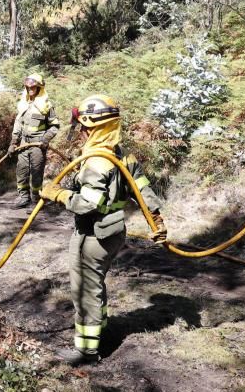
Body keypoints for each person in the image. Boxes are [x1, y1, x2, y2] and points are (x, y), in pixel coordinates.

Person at [39, 95, 167, 365]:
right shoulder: (120, 153)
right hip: (113, 232)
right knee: (95, 286)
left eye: (84, 127)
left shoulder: (98, 161)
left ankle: (86, 350)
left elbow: (88, 205)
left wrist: (57, 194)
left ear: (94, 127)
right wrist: (157, 222)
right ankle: (101, 331)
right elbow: (143, 189)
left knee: (85, 288)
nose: (81, 133)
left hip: (93, 235)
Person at [9, 74, 59, 207]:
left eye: (33, 87)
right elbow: (18, 125)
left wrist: (45, 139)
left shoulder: (46, 105)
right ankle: (23, 198)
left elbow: (54, 126)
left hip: (38, 145)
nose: (30, 89)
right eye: (28, 87)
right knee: (22, 170)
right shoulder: (23, 104)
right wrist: (13, 143)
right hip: (24, 143)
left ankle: (36, 201)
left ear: (39, 87)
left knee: (36, 173)